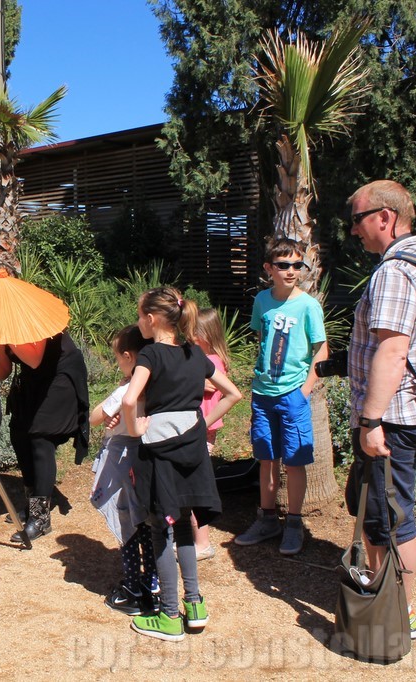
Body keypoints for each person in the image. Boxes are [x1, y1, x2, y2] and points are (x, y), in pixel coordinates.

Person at [345, 179, 416, 641]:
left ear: (384, 218)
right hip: (407, 414)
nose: (354, 232)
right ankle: (387, 598)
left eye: (358, 221)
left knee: (392, 518)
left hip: (392, 418)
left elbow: (393, 352)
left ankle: (397, 615)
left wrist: (370, 421)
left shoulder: (395, 271)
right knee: (382, 514)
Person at [122, 287, 242, 642]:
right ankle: (195, 605)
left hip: (158, 451)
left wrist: (136, 429)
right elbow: (234, 393)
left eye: (140, 314)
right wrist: (201, 423)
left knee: (161, 529)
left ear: (152, 318)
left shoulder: (150, 355)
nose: (139, 321)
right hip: (191, 447)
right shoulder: (194, 353)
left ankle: (169, 615)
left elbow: (130, 399)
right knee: (186, 528)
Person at [234, 239, 327, 555]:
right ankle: (267, 519)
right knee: (266, 459)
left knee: (295, 461)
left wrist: (305, 390)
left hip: (292, 396)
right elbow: (262, 340)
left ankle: (295, 523)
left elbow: (321, 351)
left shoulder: (308, 306)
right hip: (263, 395)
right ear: (269, 269)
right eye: (284, 265)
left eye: (297, 265)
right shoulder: (261, 300)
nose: (291, 271)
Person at [0, 331, 90, 541]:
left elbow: (34, 358)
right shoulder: (1, 322)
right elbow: (2, 369)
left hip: (60, 375)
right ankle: (32, 506)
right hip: (34, 379)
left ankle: (41, 518)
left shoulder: (29, 319)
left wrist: (7, 334)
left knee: (41, 437)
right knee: (19, 433)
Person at [88, 325, 157, 615]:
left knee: (125, 521)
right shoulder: (156, 385)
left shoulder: (128, 389)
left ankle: (132, 585)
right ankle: (152, 579)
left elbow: (94, 417)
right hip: (147, 457)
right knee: (146, 523)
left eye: (118, 357)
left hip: (122, 459)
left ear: (128, 357)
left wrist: (112, 398)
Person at [191, 307, 232, 560]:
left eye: (195, 331)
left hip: (201, 430)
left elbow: (211, 389)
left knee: (195, 484)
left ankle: (202, 542)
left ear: (206, 333)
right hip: (204, 429)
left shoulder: (211, 362)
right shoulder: (211, 359)